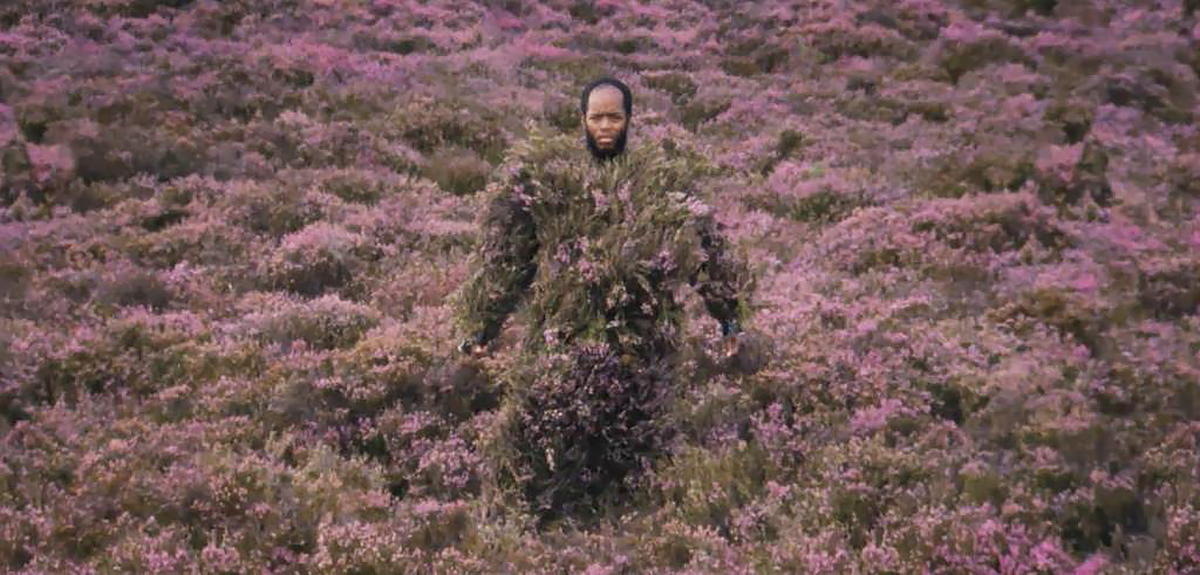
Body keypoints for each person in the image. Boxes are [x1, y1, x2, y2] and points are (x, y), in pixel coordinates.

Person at [453, 77, 752, 522]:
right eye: (597, 117)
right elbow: (508, 263)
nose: (606, 125)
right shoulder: (550, 180)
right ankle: (542, 532)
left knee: (637, 446)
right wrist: (481, 326)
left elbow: (704, 252)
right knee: (545, 443)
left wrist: (728, 318)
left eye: (615, 116)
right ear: (583, 120)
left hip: (643, 343)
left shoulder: (660, 181)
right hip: (561, 339)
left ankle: (636, 532)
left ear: (629, 119)